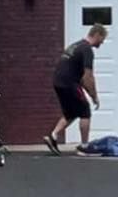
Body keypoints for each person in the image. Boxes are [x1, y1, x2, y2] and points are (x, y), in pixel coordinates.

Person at [45, 23, 107, 153]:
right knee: (85, 111)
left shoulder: (76, 45)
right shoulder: (87, 49)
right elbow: (88, 77)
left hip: (58, 82)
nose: (102, 43)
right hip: (69, 83)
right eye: (102, 39)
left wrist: (91, 94)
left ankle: (53, 136)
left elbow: (81, 78)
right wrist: (94, 96)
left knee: (71, 112)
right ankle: (84, 147)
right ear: (97, 35)